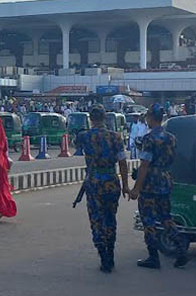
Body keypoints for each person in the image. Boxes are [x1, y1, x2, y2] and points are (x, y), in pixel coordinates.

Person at [130, 103, 189, 269]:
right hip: (166, 179)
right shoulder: (171, 138)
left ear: (150, 118)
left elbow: (144, 165)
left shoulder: (149, 139)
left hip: (151, 183)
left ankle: (153, 256)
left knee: (148, 219)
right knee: (166, 217)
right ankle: (180, 247)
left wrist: (136, 188)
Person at [75, 105, 130, 273]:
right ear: (105, 118)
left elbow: (76, 144)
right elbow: (122, 162)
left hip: (94, 182)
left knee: (96, 221)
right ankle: (111, 253)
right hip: (111, 182)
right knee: (110, 218)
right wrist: (126, 185)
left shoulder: (84, 136)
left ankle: (103, 256)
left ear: (91, 119)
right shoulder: (116, 137)